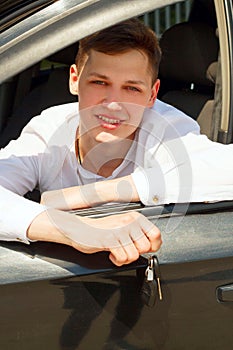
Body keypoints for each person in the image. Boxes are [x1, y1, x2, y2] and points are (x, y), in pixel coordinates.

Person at [0, 19, 233, 266]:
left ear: (152, 94)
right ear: (74, 79)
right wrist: (76, 229)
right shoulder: (49, 128)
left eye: (131, 89)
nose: (113, 104)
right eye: (100, 83)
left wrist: (92, 194)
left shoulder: (166, 128)